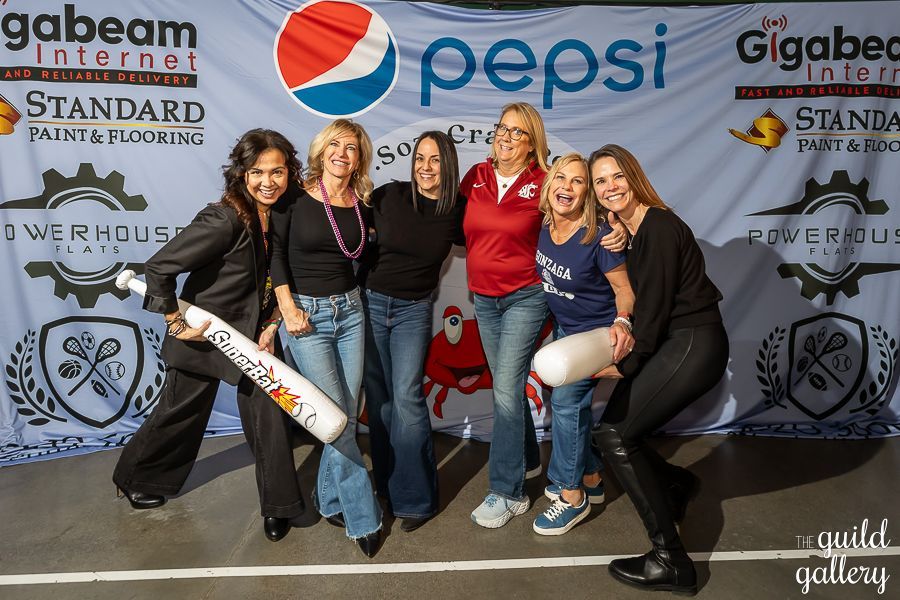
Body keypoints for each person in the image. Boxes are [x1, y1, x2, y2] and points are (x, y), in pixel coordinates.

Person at [113, 129, 306, 543]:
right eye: (257, 172)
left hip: (253, 338)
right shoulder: (223, 218)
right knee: (180, 413)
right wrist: (175, 323)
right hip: (206, 333)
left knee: (270, 416)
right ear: (241, 173)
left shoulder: (285, 213)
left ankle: (279, 508)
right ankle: (136, 478)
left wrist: (272, 322)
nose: (268, 181)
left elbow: (278, 275)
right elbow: (160, 267)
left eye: (277, 171)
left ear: (290, 172)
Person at [460, 102, 627, 528]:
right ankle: (553, 465)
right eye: (503, 128)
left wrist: (619, 226)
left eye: (518, 132)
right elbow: (449, 224)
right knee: (506, 388)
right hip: (483, 298)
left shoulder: (545, 181)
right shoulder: (474, 177)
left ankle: (507, 491)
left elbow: (582, 212)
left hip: (526, 297)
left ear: (533, 143)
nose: (507, 137)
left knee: (505, 392)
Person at [589, 144, 728, 595]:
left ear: (633, 175)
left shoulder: (661, 226)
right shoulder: (637, 230)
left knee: (614, 434)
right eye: (600, 182)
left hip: (694, 343)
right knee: (614, 431)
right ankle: (674, 484)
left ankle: (671, 562)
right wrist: (621, 238)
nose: (610, 187)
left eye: (616, 177)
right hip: (680, 342)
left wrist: (623, 365)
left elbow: (654, 312)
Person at [269, 119, 382, 558]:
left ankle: (329, 498)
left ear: (359, 158)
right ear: (321, 151)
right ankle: (362, 516)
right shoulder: (294, 197)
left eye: (351, 148)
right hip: (306, 317)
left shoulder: (362, 203)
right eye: (334, 144)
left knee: (346, 415)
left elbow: (363, 257)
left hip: (350, 311)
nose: (342, 153)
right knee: (335, 416)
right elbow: (275, 254)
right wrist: (284, 308)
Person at [358, 131, 465, 533]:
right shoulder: (388, 196)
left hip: (414, 311)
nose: (425, 167)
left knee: (407, 398)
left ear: (448, 164)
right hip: (370, 304)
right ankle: (386, 484)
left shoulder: (457, 211)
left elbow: (498, 231)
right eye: (420, 158)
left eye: (435, 159)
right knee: (380, 398)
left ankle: (417, 499)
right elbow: (342, 225)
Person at [531, 153, 634, 536]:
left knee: (566, 401)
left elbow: (624, 289)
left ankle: (572, 497)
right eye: (561, 178)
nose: (567, 187)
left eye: (578, 182)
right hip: (566, 331)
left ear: (587, 193)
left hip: (598, 334)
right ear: (549, 183)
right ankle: (590, 476)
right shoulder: (545, 226)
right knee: (565, 398)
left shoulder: (600, 235)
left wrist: (622, 323)